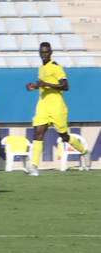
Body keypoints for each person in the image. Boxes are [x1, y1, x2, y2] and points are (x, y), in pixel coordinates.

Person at [27, 41, 88, 172]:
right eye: (42, 52)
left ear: (51, 53)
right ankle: (34, 166)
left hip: (57, 107)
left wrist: (45, 84)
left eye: (46, 52)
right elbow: (43, 85)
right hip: (43, 105)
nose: (44, 54)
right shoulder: (41, 68)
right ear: (39, 53)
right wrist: (35, 87)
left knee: (64, 136)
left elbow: (65, 86)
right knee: (38, 133)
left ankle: (84, 151)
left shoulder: (56, 67)